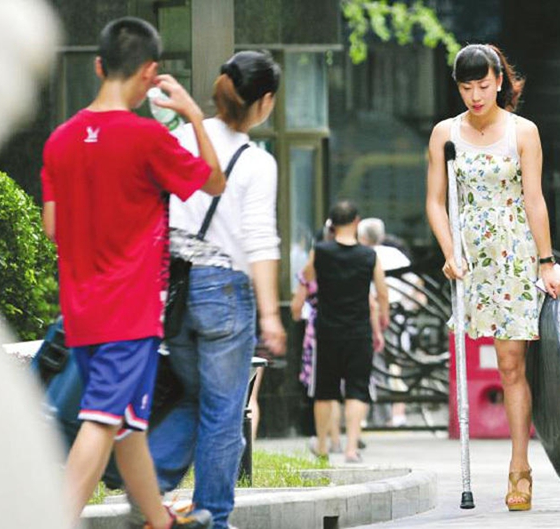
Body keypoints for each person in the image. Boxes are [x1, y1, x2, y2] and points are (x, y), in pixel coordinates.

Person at [40, 17, 224, 528]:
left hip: (79, 313)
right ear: (150, 73)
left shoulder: (58, 141)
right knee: (102, 423)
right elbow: (213, 182)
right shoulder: (147, 139)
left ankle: (160, 522)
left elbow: (53, 227)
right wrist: (191, 113)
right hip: (131, 313)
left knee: (128, 426)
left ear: (99, 66)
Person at [144, 50, 286, 529]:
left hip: (176, 289)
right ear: (264, 101)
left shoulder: (183, 136)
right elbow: (260, 241)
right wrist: (270, 314)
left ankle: (145, 483)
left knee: (193, 395)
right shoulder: (256, 162)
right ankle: (212, 516)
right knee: (225, 411)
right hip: (226, 292)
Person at [425, 43, 560, 511]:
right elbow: (435, 201)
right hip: (471, 261)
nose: (476, 96)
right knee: (491, 362)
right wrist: (450, 252)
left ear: (499, 81)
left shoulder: (523, 132)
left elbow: (534, 199)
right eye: (466, 88)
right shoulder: (445, 134)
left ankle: (519, 468)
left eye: (483, 85)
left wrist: (546, 261)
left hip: (515, 256)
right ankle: (516, 463)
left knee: (511, 365)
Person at [297, 201, 390, 463]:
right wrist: (383, 317)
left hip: (326, 330)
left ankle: (324, 447)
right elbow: (382, 292)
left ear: (331, 223)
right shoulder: (369, 256)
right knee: (357, 389)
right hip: (359, 330)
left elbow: (306, 277)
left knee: (325, 390)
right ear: (357, 221)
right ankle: (351, 448)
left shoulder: (321, 251)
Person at [357, 218, 417, 427]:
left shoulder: (363, 255)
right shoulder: (396, 255)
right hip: (397, 316)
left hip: (371, 316)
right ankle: (398, 414)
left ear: (363, 237)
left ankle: (373, 417)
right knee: (395, 366)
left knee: (373, 366)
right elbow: (413, 286)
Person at [292, 222, 343, 453]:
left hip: (319, 330)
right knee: (339, 387)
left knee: (323, 387)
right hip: (348, 327)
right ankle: (338, 440)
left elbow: (295, 307)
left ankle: (323, 442)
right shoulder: (351, 262)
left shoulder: (312, 270)